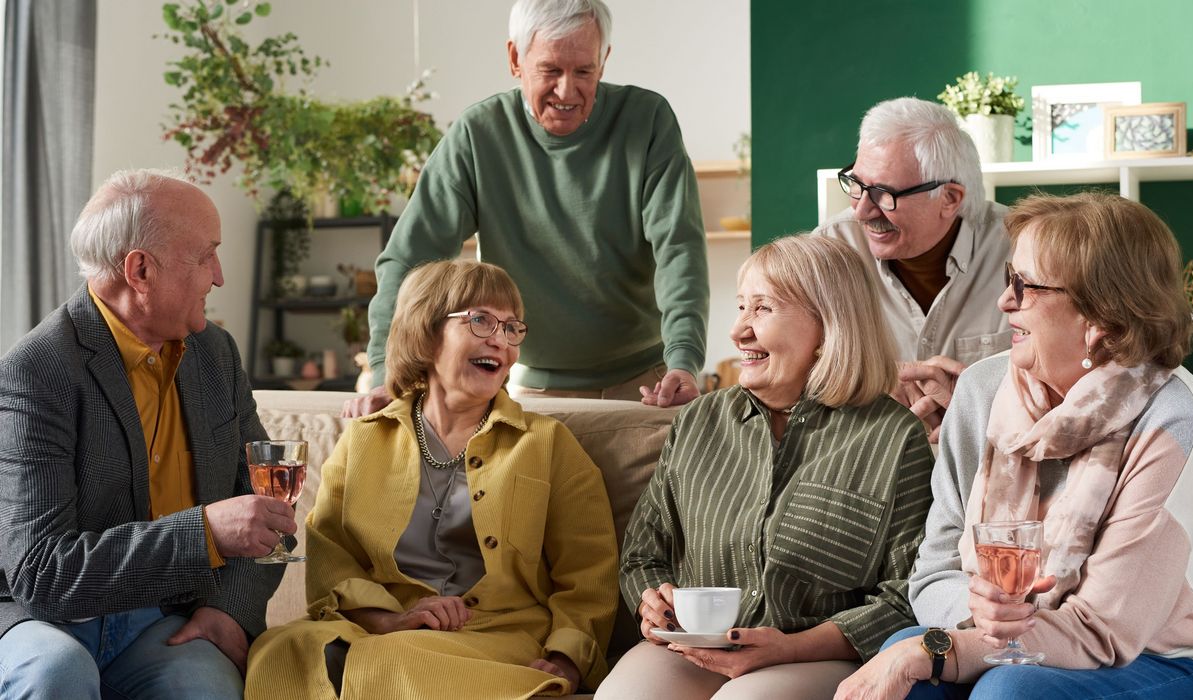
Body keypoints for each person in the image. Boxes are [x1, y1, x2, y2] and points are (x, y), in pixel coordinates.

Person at [835, 193, 1193, 700]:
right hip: (1012, 641)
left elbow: (1105, 629)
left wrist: (943, 651)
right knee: (909, 649)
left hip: (1162, 657)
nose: (1005, 301)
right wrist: (977, 619)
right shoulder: (981, 390)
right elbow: (933, 574)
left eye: (1026, 286)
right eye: (1007, 278)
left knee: (1008, 685)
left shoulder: (1171, 414)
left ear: (1100, 316)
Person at [246, 259, 619, 698]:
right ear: (426, 330)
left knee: (390, 661)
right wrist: (391, 620)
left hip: (496, 637)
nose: (501, 341)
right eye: (482, 321)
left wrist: (566, 658)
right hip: (384, 629)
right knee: (279, 649)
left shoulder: (548, 443)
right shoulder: (365, 438)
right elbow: (332, 554)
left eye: (512, 328)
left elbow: (589, 571)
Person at [599, 235, 936, 699]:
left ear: (827, 324)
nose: (738, 331)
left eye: (762, 309)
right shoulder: (700, 421)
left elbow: (908, 594)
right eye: (741, 307)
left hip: (817, 654)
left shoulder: (893, 437)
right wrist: (653, 600)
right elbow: (643, 553)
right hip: (695, 649)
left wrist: (791, 648)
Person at [0, 170, 296, 698]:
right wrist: (202, 532)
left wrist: (229, 610)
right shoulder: (36, 370)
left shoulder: (215, 356)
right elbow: (43, 574)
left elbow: (268, 511)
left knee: (204, 687)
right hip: (40, 619)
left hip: (164, 617)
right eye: (206, 255)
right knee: (56, 673)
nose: (220, 275)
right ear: (140, 270)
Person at [344, 0, 709, 418]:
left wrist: (684, 359)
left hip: (645, 381)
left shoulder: (647, 121)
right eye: (551, 70)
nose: (567, 91)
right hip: (527, 383)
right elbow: (409, 260)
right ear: (516, 58)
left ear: (604, 61)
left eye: (584, 71)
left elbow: (679, 249)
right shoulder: (478, 135)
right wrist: (384, 376)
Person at [813, 97, 1011, 442]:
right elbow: (793, 366)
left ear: (950, 198)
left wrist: (978, 400)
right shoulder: (829, 250)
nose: (862, 211)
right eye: (856, 185)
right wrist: (870, 379)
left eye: (883, 194)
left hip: (991, 462)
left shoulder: (1023, 249)